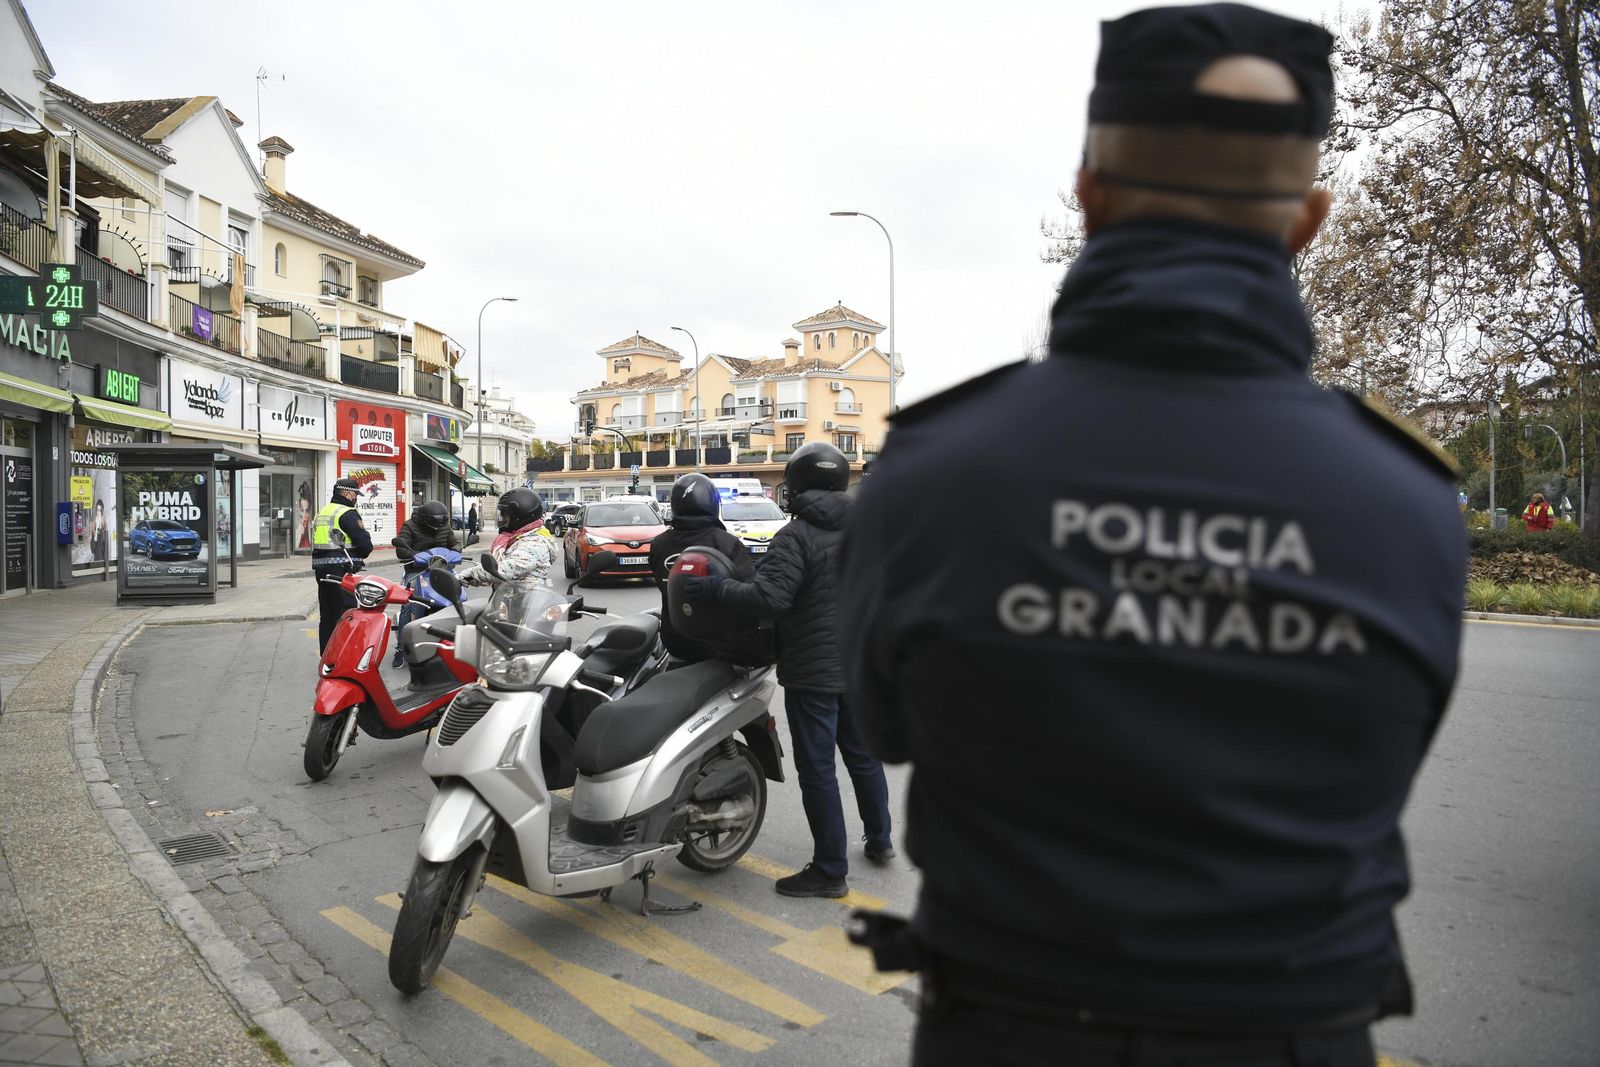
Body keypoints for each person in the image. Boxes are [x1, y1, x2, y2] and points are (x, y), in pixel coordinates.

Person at [838, 7, 1468, 1065]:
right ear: (1307, 220)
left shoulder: (932, 471)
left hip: (1004, 1031)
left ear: (1089, 195)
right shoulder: (1405, 498)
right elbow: (1378, 757)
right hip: (1293, 1035)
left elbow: (883, 724)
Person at [684, 443, 893, 898]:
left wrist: (717, 589)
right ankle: (880, 840)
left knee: (818, 770)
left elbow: (770, 599)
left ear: (795, 485)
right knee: (862, 755)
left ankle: (830, 870)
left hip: (814, 671)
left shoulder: (795, 536)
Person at [649, 473, 756, 663]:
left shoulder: (659, 544)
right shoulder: (727, 543)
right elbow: (749, 592)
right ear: (712, 504)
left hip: (676, 642)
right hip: (722, 647)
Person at [390, 500, 462, 668]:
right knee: (408, 605)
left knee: (458, 599)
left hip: (442, 570)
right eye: (433, 525)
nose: (436, 528)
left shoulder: (444, 527)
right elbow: (401, 548)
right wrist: (415, 556)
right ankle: (401, 648)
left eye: (440, 525)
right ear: (424, 519)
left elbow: (454, 543)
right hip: (417, 570)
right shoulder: (410, 525)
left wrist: (456, 550)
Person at [311, 477, 375, 652]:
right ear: (347, 494)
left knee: (327, 614)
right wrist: (362, 553)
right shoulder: (347, 512)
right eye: (355, 495)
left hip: (321, 569)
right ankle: (344, 655)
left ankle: (327, 655)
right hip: (342, 570)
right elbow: (364, 544)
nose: (356, 498)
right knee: (346, 613)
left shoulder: (323, 512)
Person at [458, 488, 555, 588]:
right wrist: (473, 578)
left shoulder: (535, 544)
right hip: (510, 595)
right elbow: (497, 566)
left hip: (526, 596)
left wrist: (469, 574)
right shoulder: (517, 538)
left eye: (505, 516)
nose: (502, 520)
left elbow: (505, 570)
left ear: (519, 517)